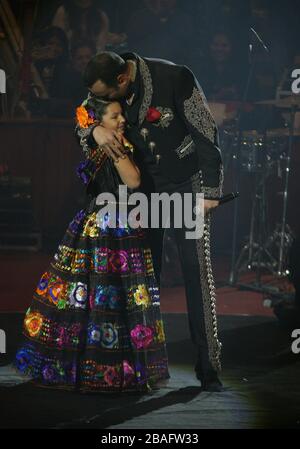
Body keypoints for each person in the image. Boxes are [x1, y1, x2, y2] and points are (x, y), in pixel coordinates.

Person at [75, 51, 224, 391]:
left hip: (187, 183)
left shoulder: (176, 77)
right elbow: (84, 114)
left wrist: (212, 190)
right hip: (142, 187)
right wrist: (94, 131)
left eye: (106, 95)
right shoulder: (105, 79)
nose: (99, 100)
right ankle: (144, 363)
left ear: (122, 80)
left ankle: (209, 364)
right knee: (144, 274)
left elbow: (206, 130)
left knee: (195, 268)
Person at [13, 98, 169, 393]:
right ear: (100, 122)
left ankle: (90, 366)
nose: (122, 119)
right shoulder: (110, 144)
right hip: (112, 227)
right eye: (114, 116)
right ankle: (104, 368)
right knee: (106, 297)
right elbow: (133, 180)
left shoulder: (98, 140)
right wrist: (121, 150)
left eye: (122, 113)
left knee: (93, 298)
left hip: (98, 221)